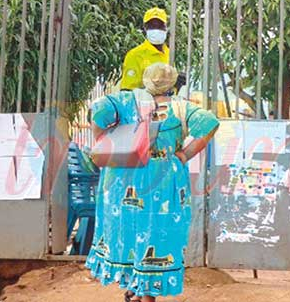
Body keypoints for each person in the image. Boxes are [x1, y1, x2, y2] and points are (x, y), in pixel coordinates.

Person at [86, 63, 220, 302]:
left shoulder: (125, 101)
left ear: (146, 80)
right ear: (173, 83)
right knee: (156, 235)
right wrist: (185, 154)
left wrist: (103, 140)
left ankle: (135, 290)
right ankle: (145, 294)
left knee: (129, 232)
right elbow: (209, 123)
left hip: (124, 178)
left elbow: (96, 110)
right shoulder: (180, 107)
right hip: (163, 183)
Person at [119, 7, 170, 91]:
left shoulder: (169, 53)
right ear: (145, 28)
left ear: (166, 28)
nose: (156, 30)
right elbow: (127, 92)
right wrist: (154, 87)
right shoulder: (135, 55)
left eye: (160, 26)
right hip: (145, 103)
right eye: (152, 26)